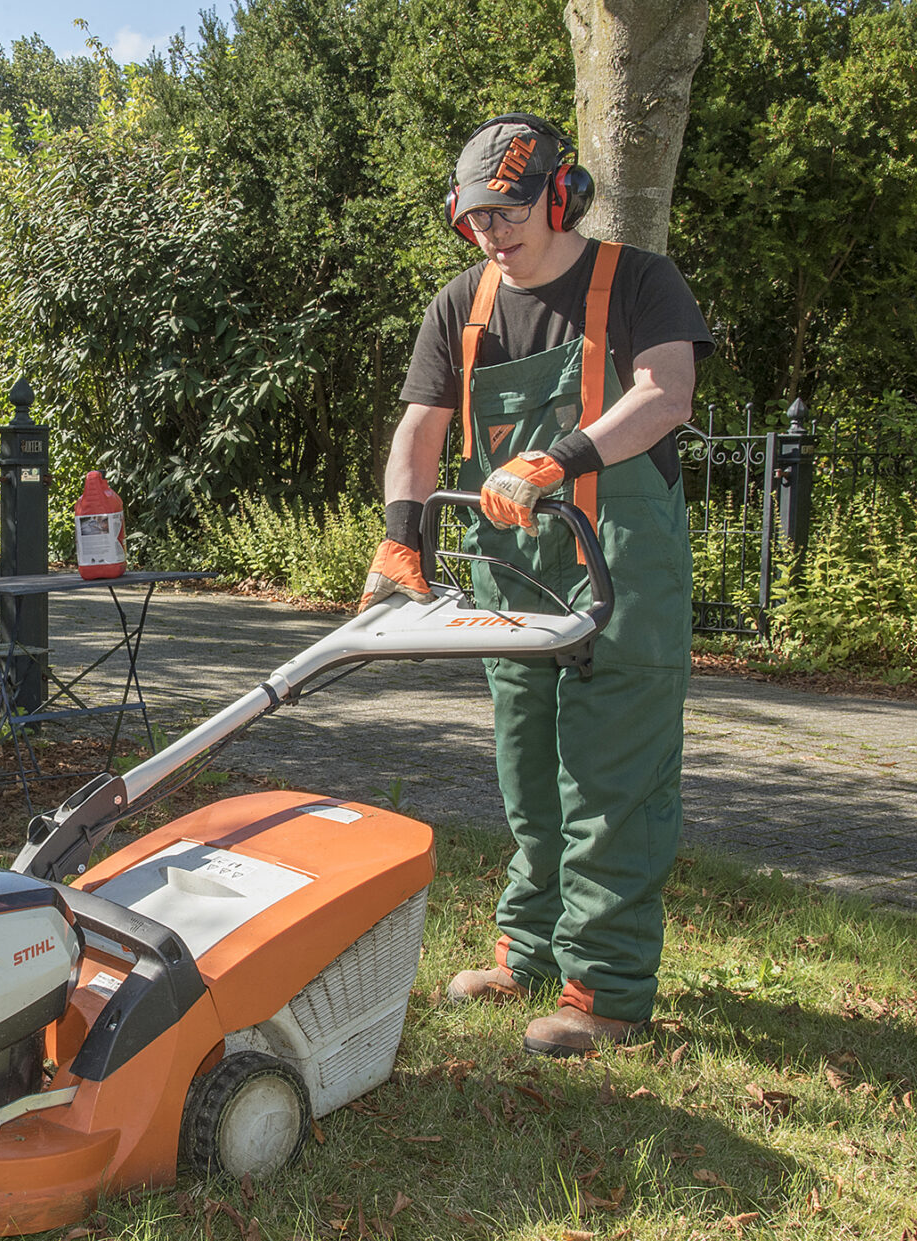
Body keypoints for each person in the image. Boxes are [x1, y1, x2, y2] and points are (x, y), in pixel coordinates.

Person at [362, 113, 713, 1057]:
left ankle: (605, 988)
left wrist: (558, 461)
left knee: (613, 778)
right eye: (476, 218)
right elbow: (418, 434)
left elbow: (666, 392)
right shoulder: (462, 305)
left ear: (562, 197)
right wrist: (403, 539)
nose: (494, 233)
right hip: (512, 568)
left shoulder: (636, 279)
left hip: (621, 560)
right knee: (529, 772)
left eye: (511, 212)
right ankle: (530, 949)